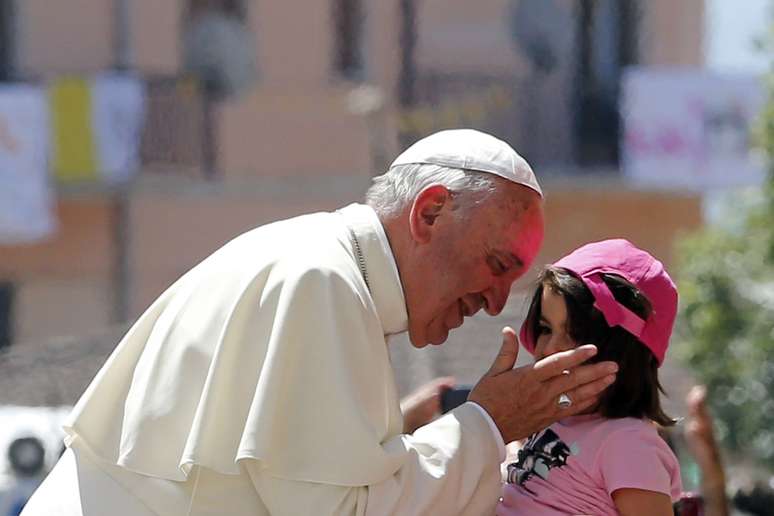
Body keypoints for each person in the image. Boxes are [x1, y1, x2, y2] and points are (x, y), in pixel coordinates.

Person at [21, 129, 618, 516]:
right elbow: (341, 512)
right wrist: (490, 424)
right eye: (496, 265)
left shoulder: (324, 268)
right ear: (431, 211)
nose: (495, 302)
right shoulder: (320, 281)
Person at [498, 239, 683, 516]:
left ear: (624, 355)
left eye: (575, 335)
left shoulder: (628, 444)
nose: (549, 349)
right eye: (545, 329)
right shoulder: (555, 420)